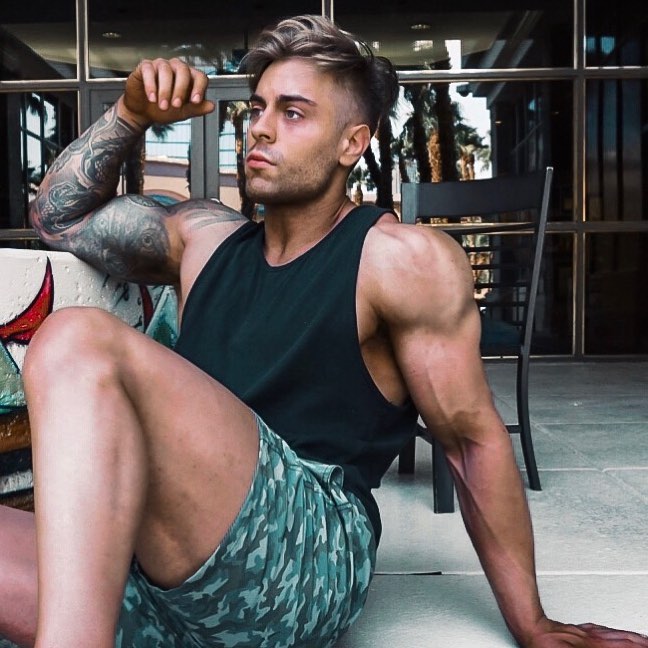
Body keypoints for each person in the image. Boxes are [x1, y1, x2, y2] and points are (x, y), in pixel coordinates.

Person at [0, 14, 646, 648]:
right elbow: (57, 217)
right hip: (166, 568)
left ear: (352, 143)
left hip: (302, 557)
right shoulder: (200, 239)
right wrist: (131, 116)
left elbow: (472, 442)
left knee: (74, 338)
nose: (259, 129)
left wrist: (532, 622)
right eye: (257, 109)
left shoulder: (399, 260)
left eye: (293, 112)